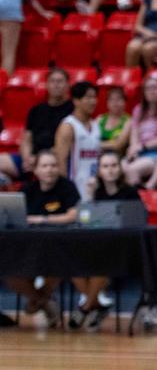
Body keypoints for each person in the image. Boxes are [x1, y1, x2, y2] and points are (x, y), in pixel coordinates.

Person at [8, 151, 81, 326]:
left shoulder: (67, 187)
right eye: (45, 166)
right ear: (36, 170)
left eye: (54, 165)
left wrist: (42, 219)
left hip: (59, 247)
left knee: (58, 265)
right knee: (9, 270)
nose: (50, 170)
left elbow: (73, 215)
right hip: (27, 247)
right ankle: (44, 301)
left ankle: (38, 301)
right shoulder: (27, 190)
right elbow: (14, 216)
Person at [1, 68, 73, 182]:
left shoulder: (73, 110)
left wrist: (41, 159)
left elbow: (67, 144)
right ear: (47, 85)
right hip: (32, 159)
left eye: (60, 81)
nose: (56, 85)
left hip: (56, 160)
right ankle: (6, 180)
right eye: (52, 81)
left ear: (67, 85)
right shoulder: (36, 110)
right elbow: (26, 139)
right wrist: (27, 158)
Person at [53, 81, 100, 201]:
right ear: (76, 100)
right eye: (88, 97)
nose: (93, 101)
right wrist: (66, 191)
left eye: (94, 97)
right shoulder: (68, 126)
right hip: (74, 187)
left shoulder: (96, 125)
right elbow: (61, 160)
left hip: (93, 187)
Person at [96, 86, 132, 155]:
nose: (115, 103)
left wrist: (97, 145)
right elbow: (90, 140)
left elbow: (118, 145)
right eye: (111, 99)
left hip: (118, 158)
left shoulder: (128, 121)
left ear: (125, 102)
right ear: (107, 102)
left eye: (119, 99)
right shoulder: (100, 119)